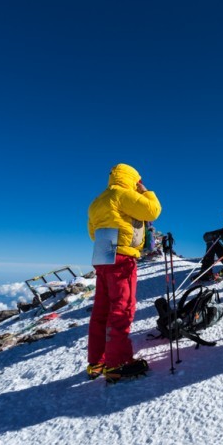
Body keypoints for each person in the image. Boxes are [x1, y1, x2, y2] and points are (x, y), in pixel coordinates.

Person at [87, 163, 162, 381]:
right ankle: (118, 364)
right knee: (122, 309)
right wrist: (146, 191)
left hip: (102, 254)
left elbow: (93, 232)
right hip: (122, 257)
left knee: (101, 310)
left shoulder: (97, 201)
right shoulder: (123, 194)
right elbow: (152, 211)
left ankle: (97, 362)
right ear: (132, 179)